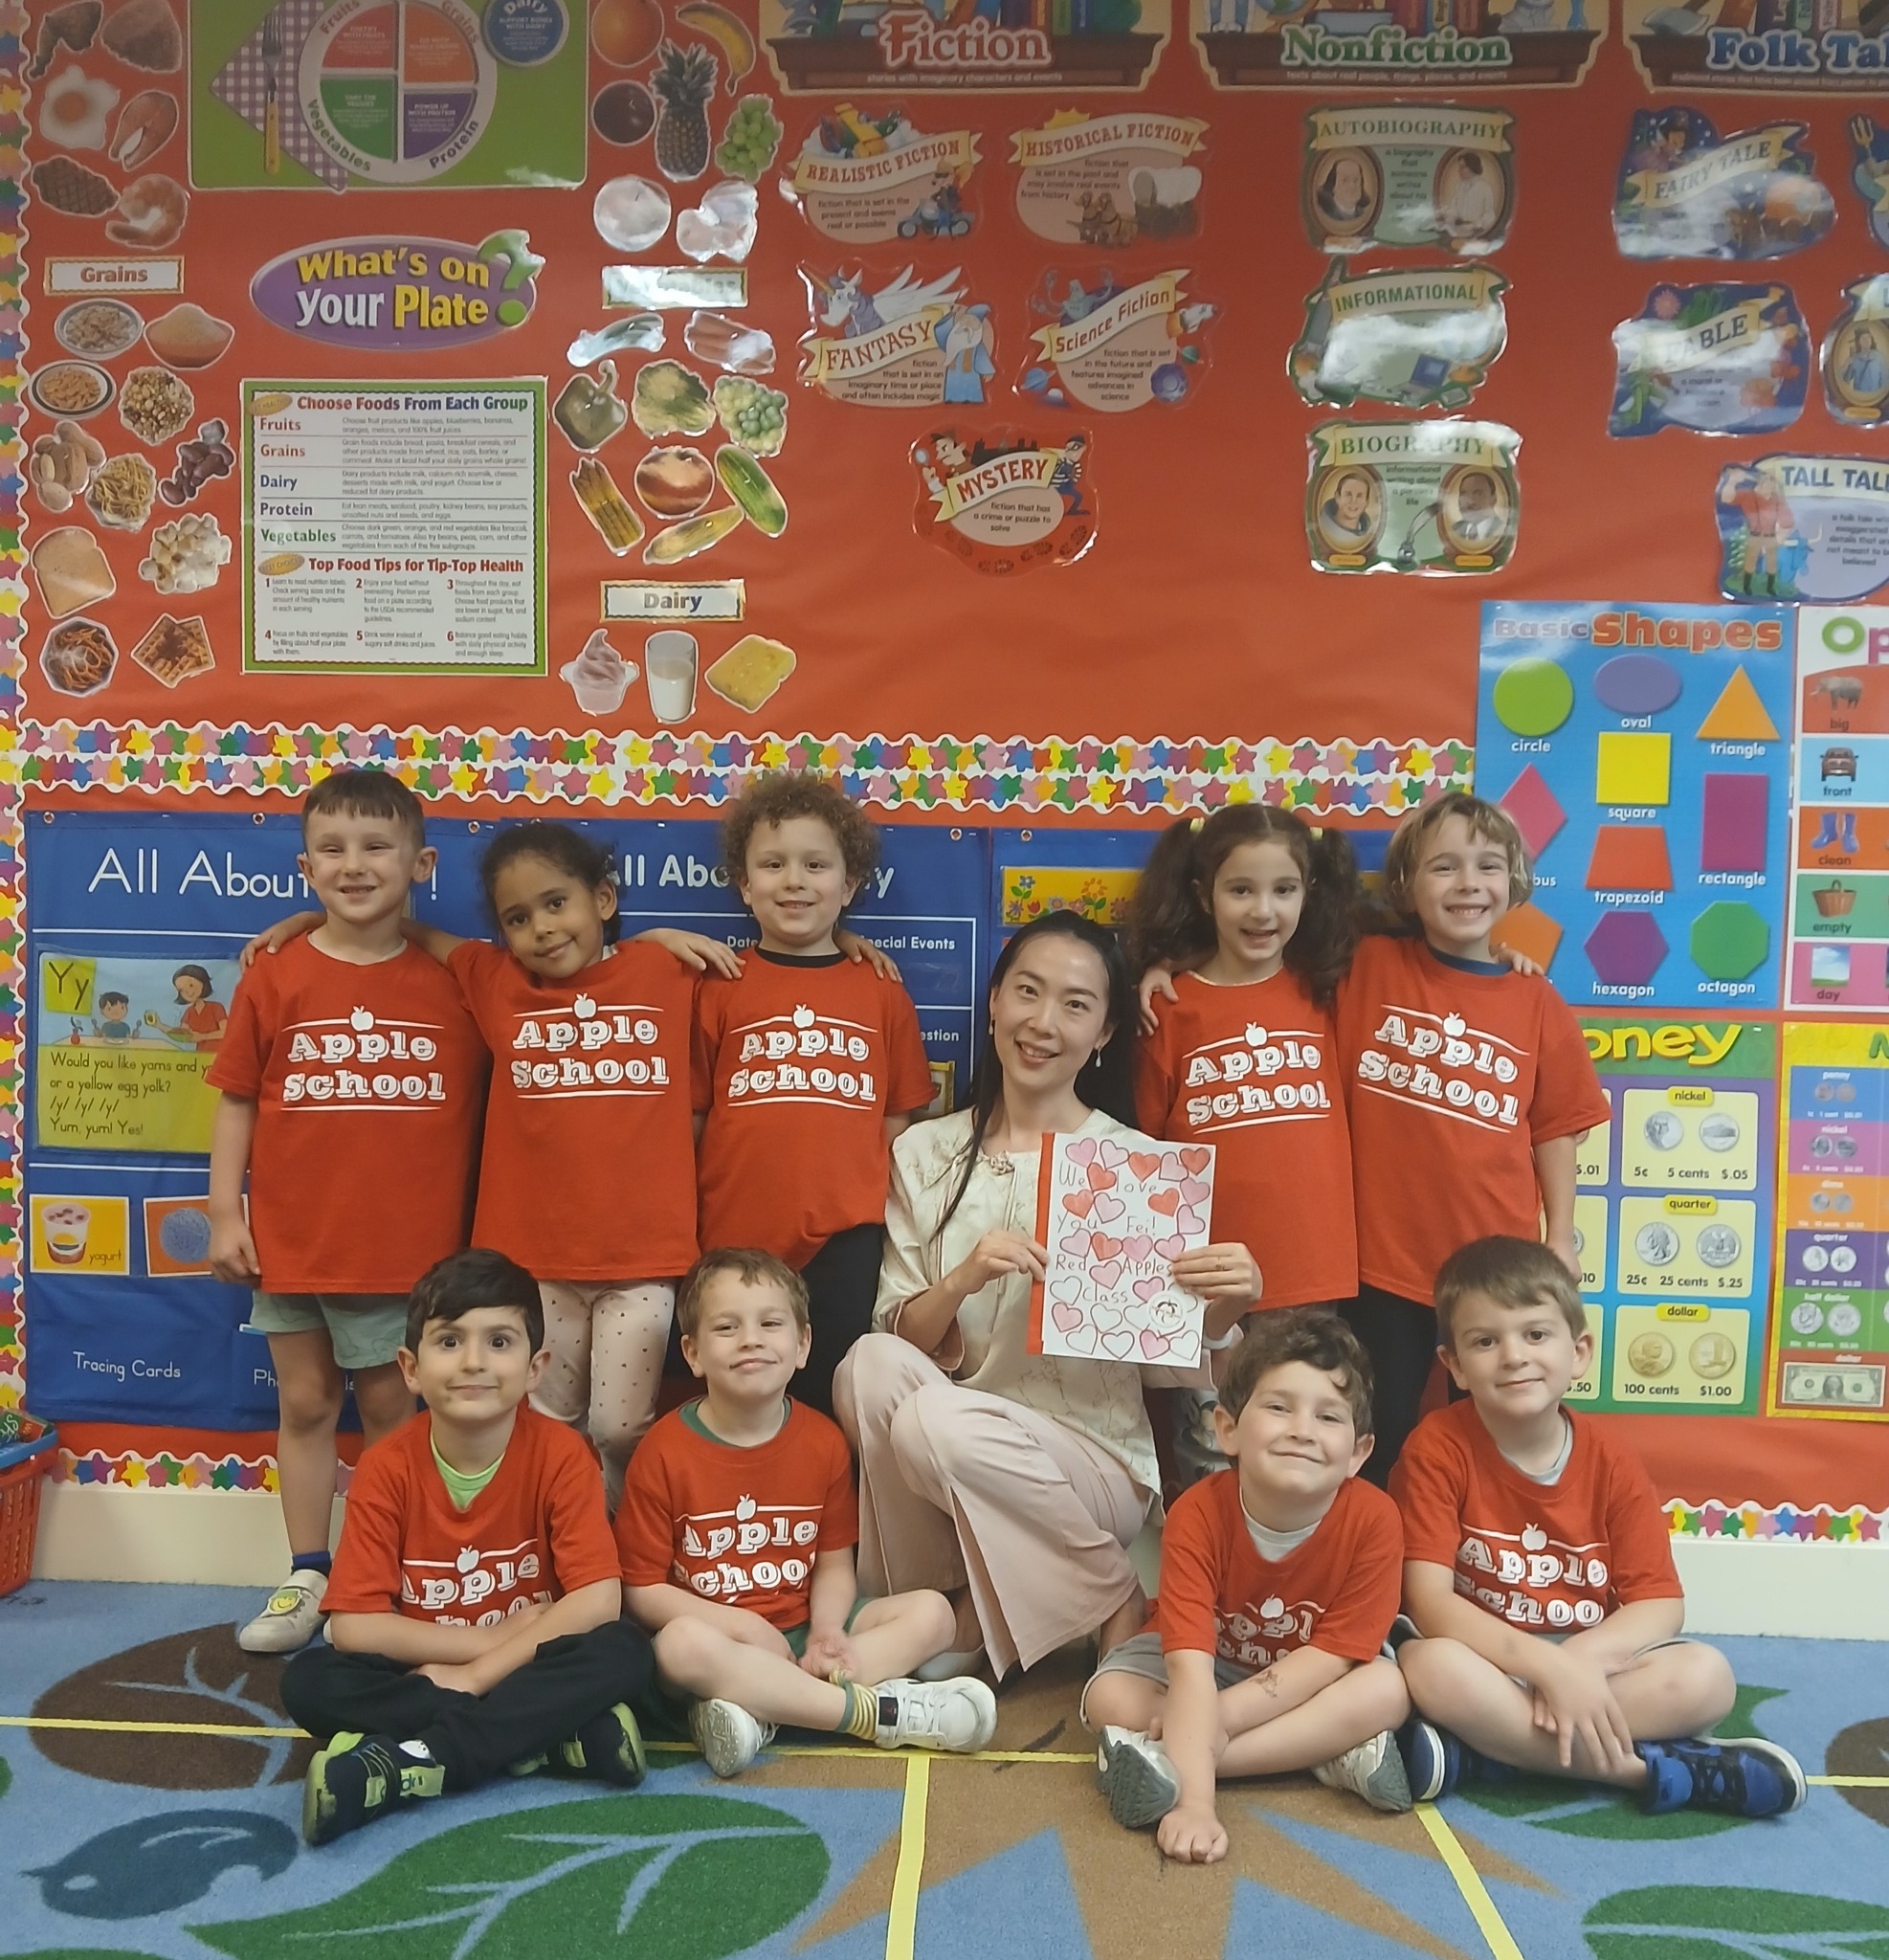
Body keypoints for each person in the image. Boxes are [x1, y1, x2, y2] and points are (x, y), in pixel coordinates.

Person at [244, 820, 733, 1498]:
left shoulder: (665, 971)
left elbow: (782, 978)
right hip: (535, 1261)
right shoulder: (495, 979)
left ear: (603, 899)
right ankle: (564, 1538)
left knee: (620, 1426)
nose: (542, 928)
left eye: (556, 903)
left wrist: (653, 940)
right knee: (549, 1420)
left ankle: (621, 1540)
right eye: (517, 918)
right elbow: (412, 936)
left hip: (643, 1256)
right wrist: (315, 922)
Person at [836, 911, 1260, 1682]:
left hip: (1086, 1467)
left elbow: (1174, 1363)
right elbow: (898, 1337)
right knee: (867, 1365)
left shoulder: (1135, 1166)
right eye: (1027, 992)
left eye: (1075, 1004)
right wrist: (963, 1277)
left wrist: (1227, 1305)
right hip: (950, 1462)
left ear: (1103, 1033)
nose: (1042, 1022)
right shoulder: (925, 1151)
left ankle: (1097, 1591)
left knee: (935, 1419)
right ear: (994, 1002)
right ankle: (948, 1612)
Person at [210, 770, 487, 1655]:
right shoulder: (276, 974)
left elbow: (554, 975)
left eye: (377, 848)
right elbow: (238, 1099)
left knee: (392, 1413)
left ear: (421, 863)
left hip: (406, 1251)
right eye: (332, 849)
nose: (354, 865)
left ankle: (382, 1574)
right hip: (293, 1242)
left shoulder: (457, 980)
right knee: (305, 1403)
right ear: (305, 867)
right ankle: (307, 1572)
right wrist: (224, 1213)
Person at [1392, 1238, 1807, 1818]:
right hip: (1487, 1665)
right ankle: (1647, 1773)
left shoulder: (1611, 1459)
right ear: (1455, 1364)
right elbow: (1429, 1602)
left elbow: (1659, 1603)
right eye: (1485, 1341)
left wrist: (1576, 1663)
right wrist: (1545, 1669)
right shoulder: (1436, 1448)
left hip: (1594, 1668)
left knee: (1707, 1678)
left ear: (1579, 1350)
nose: (1513, 1356)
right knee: (1428, 1667)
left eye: (1536, 1334)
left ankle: (1489, 1755)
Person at [282, 1249, 655, 1846]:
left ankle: (414, 1761)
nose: (474, 1361)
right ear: (411, 1367)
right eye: (450, 1341)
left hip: (527, 1662)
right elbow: (353, 1626)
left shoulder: (562, 1455)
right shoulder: (384, 1467)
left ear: (535, 1368)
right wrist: (479, 1647)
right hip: (435, 1665)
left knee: (625, 1652)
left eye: (499, 1342)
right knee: (309, 1681)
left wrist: (481, 1674)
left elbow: (599, 1600)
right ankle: (552, 1736)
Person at [616, 1248, 998, 1775]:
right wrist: (742, 1627)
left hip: (803, 1633)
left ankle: (767, 1710)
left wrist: (827, 1631)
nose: (751, 1339)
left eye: (770, 1324)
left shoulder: (822, 1442)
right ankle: (874, 1714)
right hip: (719, 1643)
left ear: (802, 1345)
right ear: (693, 1352)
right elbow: (641, 1592)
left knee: (934, 1614)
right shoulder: (663, 1451)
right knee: (678, 1646)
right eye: (726, 1327)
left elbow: (834, 1565)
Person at [1333, 794, 1608, 1487]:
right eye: (1444, 867)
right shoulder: (1366, 965)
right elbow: (1262, 950)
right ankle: (1382, 1553)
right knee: (1377, 1432)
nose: (1468, 884)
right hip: (1381, 1260)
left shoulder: (1536, 1001)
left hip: (1496, 1265)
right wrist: (1166, 965)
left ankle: (1488, 1547)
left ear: (1513, 882)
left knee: (1496, 1432)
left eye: (1488, 866)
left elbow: (1555, 1127)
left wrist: (1561, 1236)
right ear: (1405, 884)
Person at [1083, 1309, 1413, 1862]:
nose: (1302, 1430)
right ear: (1228, 1429)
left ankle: (1170, 1758)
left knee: (1389, 1690)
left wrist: (1214, 1732)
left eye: (1328, 1417)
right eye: (1279, 1407)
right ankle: (1321, 1754)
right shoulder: (1197, 1513)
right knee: (1107, 1697)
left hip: (1308, 1676)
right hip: (1205, 1668)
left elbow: (1332, 1657)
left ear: (1358, 1453)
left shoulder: (1376, 1520)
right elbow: (1189, 1667)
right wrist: (1196, 1807)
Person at [1127, 808, 1362, 1481]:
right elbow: (1145, 1152)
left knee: (1298, 1451)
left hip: (1308, 1274)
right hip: (1204, 1286)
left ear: (1308, 893)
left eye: (1283, 890)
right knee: (1211, 1451)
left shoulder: (1331, 991)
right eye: (1240, 890)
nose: (1263, 911)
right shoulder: (1168, 1008)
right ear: (1204, 896)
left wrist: (1501, 953)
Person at [694, 773, 935, 1417]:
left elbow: (901, 1116)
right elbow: (693, 1119)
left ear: (849, 885)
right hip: (735, 1237)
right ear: (744, 885)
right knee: (740, 1402)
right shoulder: (718, 986)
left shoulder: (882, 991)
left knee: (834, 1404)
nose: (794, 881)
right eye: (773, 865)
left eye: (816, 865)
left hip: (845, 1242)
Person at [154, 964, 228, 1049]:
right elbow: (181, 1035)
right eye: (181, 990)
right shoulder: (189, 1012)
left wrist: (202, 1036)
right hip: (200, 1054)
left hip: (220, 1052)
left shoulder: (216, 1007)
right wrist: (159, 1025)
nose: (188, 992)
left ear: (203, 982)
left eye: (191, 985)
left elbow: (226, 1032)